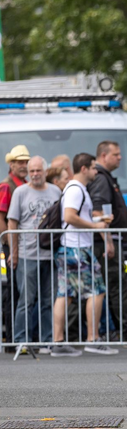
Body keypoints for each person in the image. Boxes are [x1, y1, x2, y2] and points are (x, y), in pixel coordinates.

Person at [51, 153, 115, 357]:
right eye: (94, 167)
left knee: (65, 294)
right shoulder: (76, 189)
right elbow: (69, 216)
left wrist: (98, 220)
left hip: (72, 247)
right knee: (96, 290)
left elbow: (75, 216)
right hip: (77, 248)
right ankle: (92, 338)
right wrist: (96, 225)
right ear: (84, 169)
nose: (97, 171)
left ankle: (58, 341)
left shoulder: (75, 189)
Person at [7, 156, 61, 350]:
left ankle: (47, 340)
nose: (35, 174)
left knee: (49, 300)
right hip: (27, 255)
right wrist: (13, 252)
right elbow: (12, 223)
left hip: (50, 255)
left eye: (38, 171)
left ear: (45, 171)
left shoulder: (55, 191)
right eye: (32, 171)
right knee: (26, 300)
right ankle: (22, 341)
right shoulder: (21, 192)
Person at [87, 140, 127, 342]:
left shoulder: (104, 177)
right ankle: (126, 332)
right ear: (104, 156)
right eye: (116, 154)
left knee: (113, 287)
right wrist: (108, 241)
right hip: (106, 244)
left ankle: (121, 330)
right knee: (116, 288)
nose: (120, 157)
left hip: (108, 242)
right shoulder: (101, 179)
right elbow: (98, 212)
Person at [1, 144, 30, 343]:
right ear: (11, 164)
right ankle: (12, 339)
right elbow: (1, 218)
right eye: (20, 162)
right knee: (13, 293)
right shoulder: (6, 185)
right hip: (12, 247)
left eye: (26, 162)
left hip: (21, 246)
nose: (24, 165)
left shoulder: (24, 183)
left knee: (21, 292)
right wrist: (11, 246)